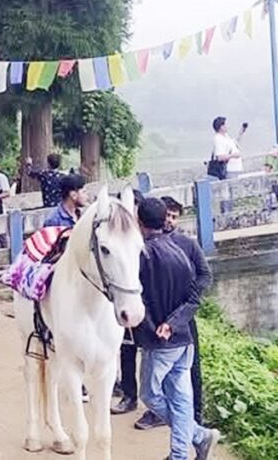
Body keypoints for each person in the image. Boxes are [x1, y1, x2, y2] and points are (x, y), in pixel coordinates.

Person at [134, 198, 220, 460]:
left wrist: (161, 327)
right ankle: (182, 452)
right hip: (184, 338)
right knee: (182, 399)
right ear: (165, 221)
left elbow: (140, 300)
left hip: (162, 342)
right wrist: (175, 323)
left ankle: (197, 435)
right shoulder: (182, 253)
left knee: (149, 394)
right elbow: (194, 297)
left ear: (139, 223)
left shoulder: (143, 256)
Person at [121, 196, 213, 428]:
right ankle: (176, 428)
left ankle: (194, 418)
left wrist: (183, 306)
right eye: (167, 215)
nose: (170, 220)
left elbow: (204, 276)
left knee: (184, 374)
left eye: (174, 216)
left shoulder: (185, 244)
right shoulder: (141, 249)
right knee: (153, 370)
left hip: (180, 317)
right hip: (155, 319)